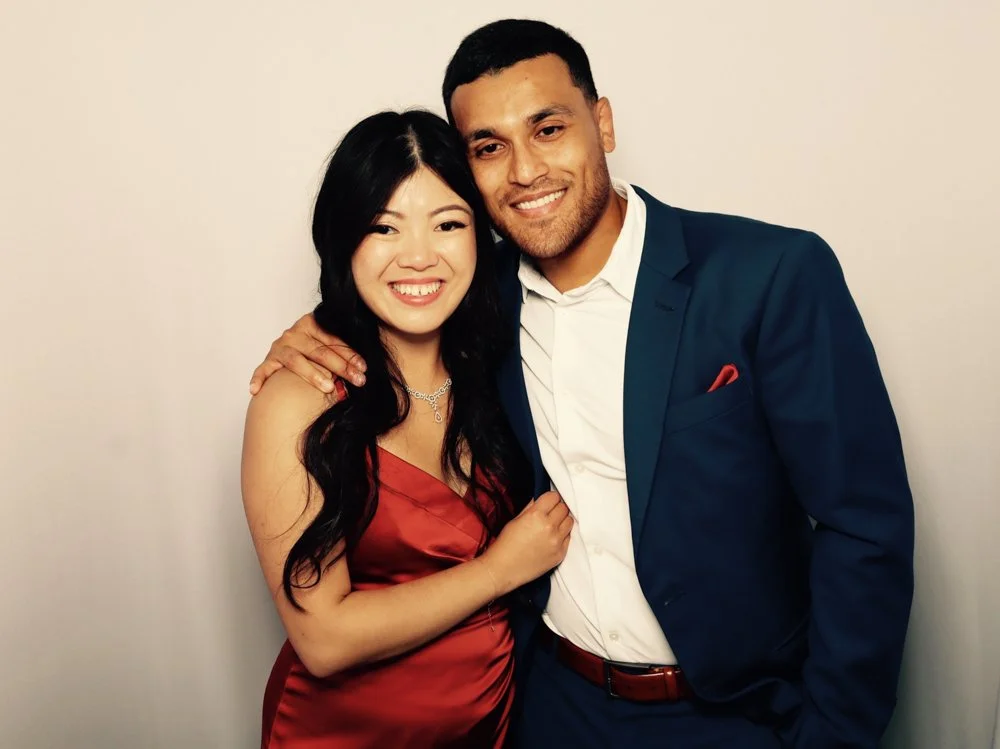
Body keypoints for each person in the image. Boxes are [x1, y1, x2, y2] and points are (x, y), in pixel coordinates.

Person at [248, 20, 915, 749]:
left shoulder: (768, 276)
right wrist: (315, 328)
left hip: (733, 715)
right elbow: (399, 285)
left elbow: (864, 529)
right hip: (550, 707)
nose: (525, 170)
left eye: (548, 128)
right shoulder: (479, 303)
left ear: (602, 122)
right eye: (490, 147)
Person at [240, 108, 574, 749]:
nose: (419, 257)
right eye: (383, 228)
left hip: (493, 720)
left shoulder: (500, 372)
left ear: (482, 236)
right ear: (342, 243)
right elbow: (324, 639)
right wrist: (497, 572)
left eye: (448, 224)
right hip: (346, 734)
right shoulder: (300, 397)